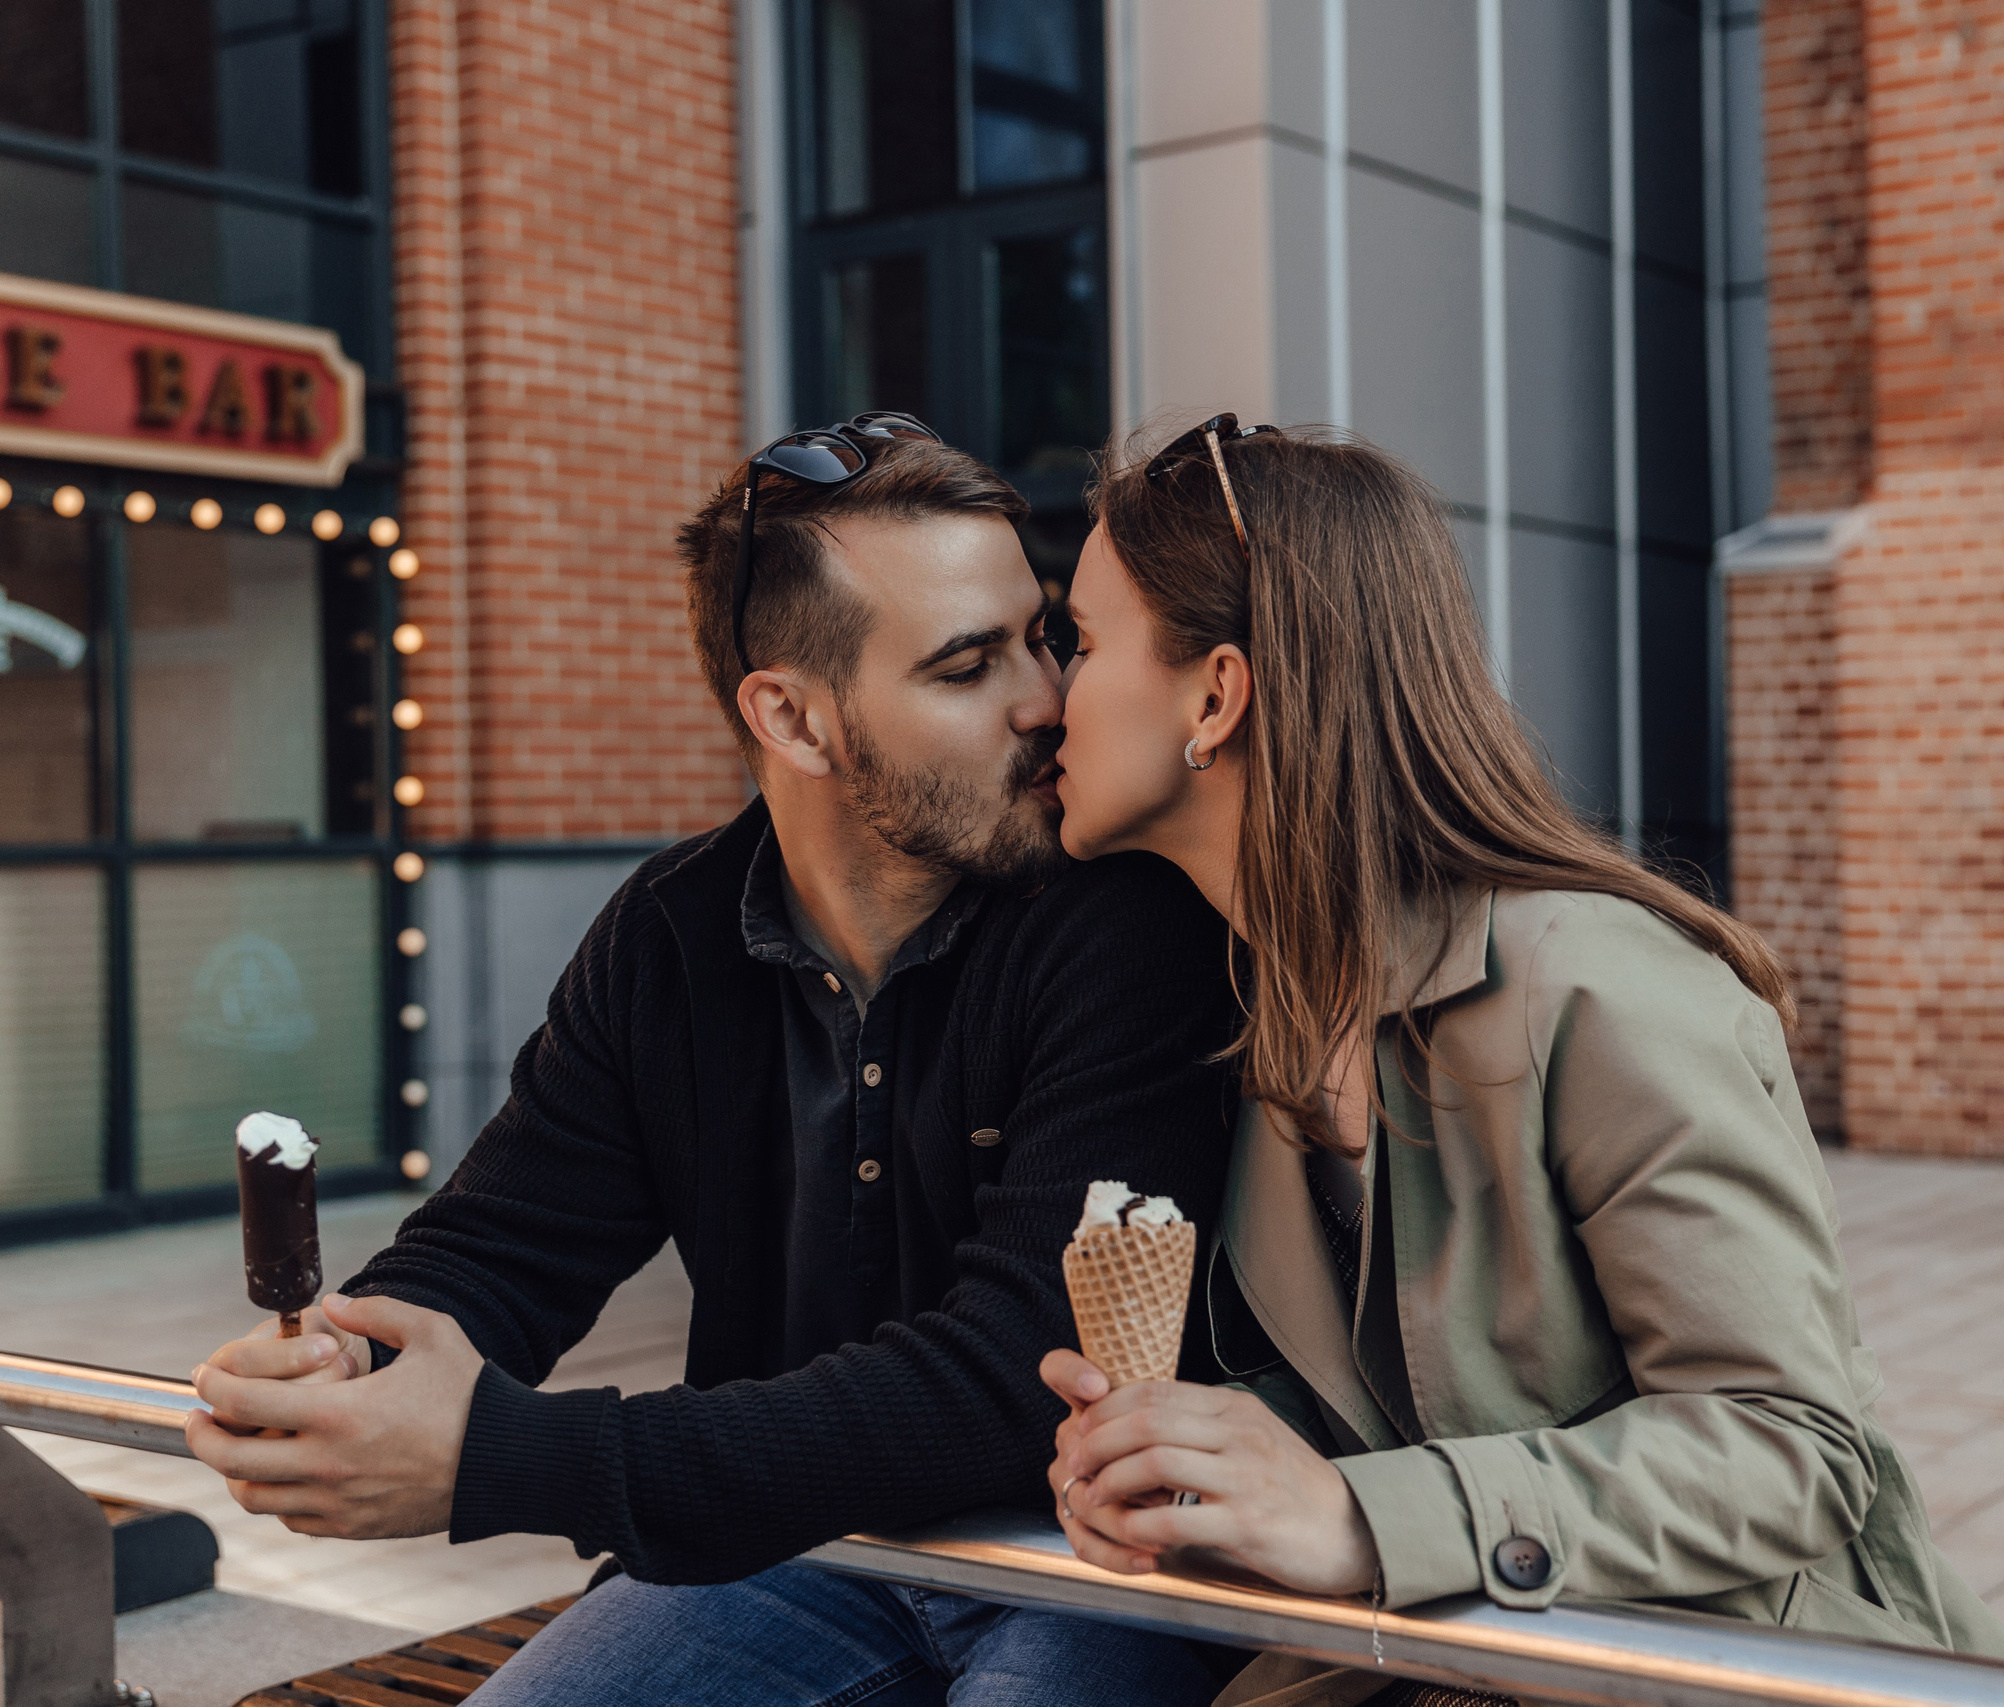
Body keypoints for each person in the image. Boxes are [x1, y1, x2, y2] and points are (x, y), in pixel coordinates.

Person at [184, 419, 1243, 1706]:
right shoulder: (669, 933)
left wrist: (501, 1458)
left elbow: (1012, 1378)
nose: (1044, 700)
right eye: (968, 667)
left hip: (1097, 1567)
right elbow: (508, 1242)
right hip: (788, 1554)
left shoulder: (1130, 919)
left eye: (1045, 638)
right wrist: (348, 1372)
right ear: (791, 718)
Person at [1037, 418, 2004, 1702]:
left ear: (1215, 696)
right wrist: (1193, 1464)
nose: (1047, 694)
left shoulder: (1598, 985)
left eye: (1084, 642)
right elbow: (1389, 1401)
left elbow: (1789, 1446)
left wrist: (1355, 1517)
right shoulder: (1257, 1000)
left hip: (1724, 1668)